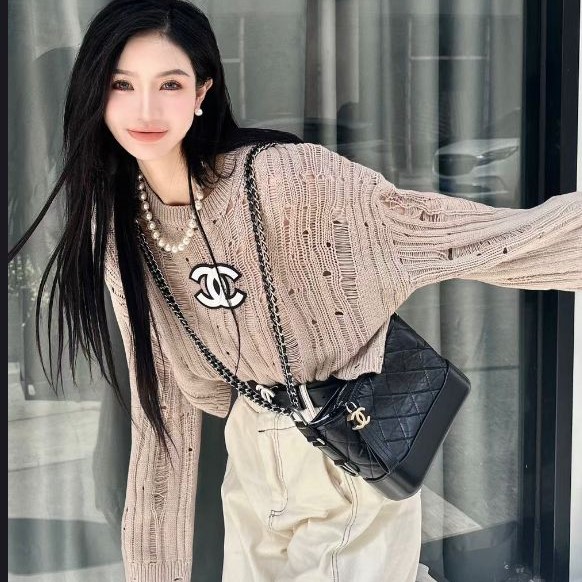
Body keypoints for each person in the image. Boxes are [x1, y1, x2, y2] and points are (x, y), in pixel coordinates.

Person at [8, 1, 581, 581]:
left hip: (343, 448)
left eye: (170, 84)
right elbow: (164, 399)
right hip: (250, 454)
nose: (146, 108)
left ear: (202, 91)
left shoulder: (288, 181)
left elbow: (463, 237)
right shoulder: (124, 226)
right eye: (122, 84)